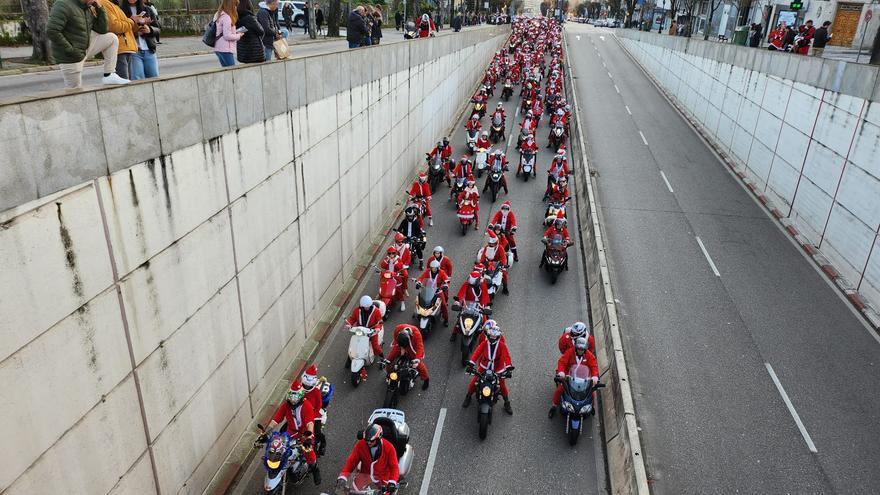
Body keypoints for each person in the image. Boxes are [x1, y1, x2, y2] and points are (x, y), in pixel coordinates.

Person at [47, 0, 130, 87]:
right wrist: (71, 51)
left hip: (85, 49)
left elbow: (102, 30)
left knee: (111, 38)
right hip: (70, 56)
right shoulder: (63, 4)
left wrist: (100, 8)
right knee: (75, 91)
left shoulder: (87, 7)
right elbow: (52, 31)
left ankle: (109, 75)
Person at [263, 380, 322, 484]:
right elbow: (276, 419)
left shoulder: (307, 406)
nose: (293, 402)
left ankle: (315, 468)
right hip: (291, 433)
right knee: (280, 449)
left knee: (309, 452)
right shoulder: (286, 405)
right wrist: (266, 431)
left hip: (305, 434)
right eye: (291, 399)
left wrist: (308, 438)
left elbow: (310, 424)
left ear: (300, 397)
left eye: (295, 399)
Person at [464, 320, 513, 414]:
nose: (492, 338)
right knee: (474, 381)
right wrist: (471, 362)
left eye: (494, 337)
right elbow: (477, 352)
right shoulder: (484, 343)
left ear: (498, 336)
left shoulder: (502, 344)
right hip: (484, 365)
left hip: (498, 367)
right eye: (491, 336)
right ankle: (468, 396)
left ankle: (507, 403)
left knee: (502, 385)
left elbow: (506, 356)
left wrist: (508, 367)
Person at [336, 423, 400, 493]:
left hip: (383, 480)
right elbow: (351, 462)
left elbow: (394, 467)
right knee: (352, 492)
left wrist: (392, 482)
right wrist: (343, 477)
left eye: (371, 441)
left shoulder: (389, 448)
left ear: (378, 438)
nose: (368, 443)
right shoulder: (360, 444)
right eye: (367, 440)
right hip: (364, 476)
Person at [549, 336, 598, 418]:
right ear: (576, 348)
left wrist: (594, 377)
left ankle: (591, 406)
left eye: (582, 349)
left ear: (585, 349)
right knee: (560, 390)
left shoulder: (589, 356)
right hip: (569, 376)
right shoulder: (569, 352)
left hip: (583, 379)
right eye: (579, 349)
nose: (580, 351)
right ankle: (554, 406)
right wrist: (561, 372)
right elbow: (562, 362)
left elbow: (594, 367)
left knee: (591, 394)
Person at [120, 0, 160, 80]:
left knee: (154, 80)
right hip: (133, 52)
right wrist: (135, 32)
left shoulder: (147, 9)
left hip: (149, 50)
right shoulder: (121, 10)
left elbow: (158, 29)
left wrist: (150, 30)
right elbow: (120, 29)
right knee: (137, 81)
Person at [97, 0, 137, 80]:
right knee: (124, 83)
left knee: (127, 82)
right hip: (119, 49)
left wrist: (136, 23)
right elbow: (114, 26)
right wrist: (131, 21)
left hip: (126, 48)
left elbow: (126, 27)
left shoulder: (114, 4)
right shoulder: (104, 3)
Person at [386, 324, 430, 389]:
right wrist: (401, 348)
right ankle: (389, 374)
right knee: (389, 359)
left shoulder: (417, 335)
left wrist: (417, 361)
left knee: (420, 366)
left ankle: (426, 379)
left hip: (411, 346)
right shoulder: (398, 328)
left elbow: (420, 348)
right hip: (400, 345)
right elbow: (395, 337)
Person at [416, 259, 450, 326]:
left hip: (438, 291)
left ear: (438, 268)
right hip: (427, 289)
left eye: (435, 268)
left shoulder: (442, 272)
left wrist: (446, 285)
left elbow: (446, 280)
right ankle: (417, 312)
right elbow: (421, 278)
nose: (433, 269)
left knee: (443, 305)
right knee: (419, 300)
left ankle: (446, 319)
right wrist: (418, 282)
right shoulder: (427, 271)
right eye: (432, 268)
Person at [212, 0, 243, 66]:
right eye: (235, 5)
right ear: (231, 5)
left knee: (226, 71)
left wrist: (235, 32)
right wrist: (239, 35)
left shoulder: (218, 14)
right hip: (225, 48)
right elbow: (227, 36)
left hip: (218, 47)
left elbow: (222, 31)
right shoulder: (226, 17)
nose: (236, 7)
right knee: (232, 72)